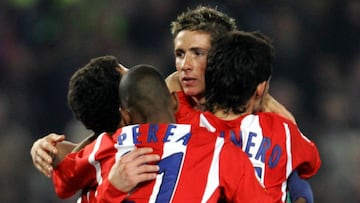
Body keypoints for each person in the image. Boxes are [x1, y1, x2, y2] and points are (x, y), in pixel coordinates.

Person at [93, 64, 273, 202]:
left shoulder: (109, 150)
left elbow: (65, 178)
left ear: (125, 116)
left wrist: (112, 190)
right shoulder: (221, 152)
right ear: (174, 101)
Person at [198, 30, 321, 203]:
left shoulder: (189, 126)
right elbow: (311, 163)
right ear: (261, 88)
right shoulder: (282, 130)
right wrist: (269, 102)